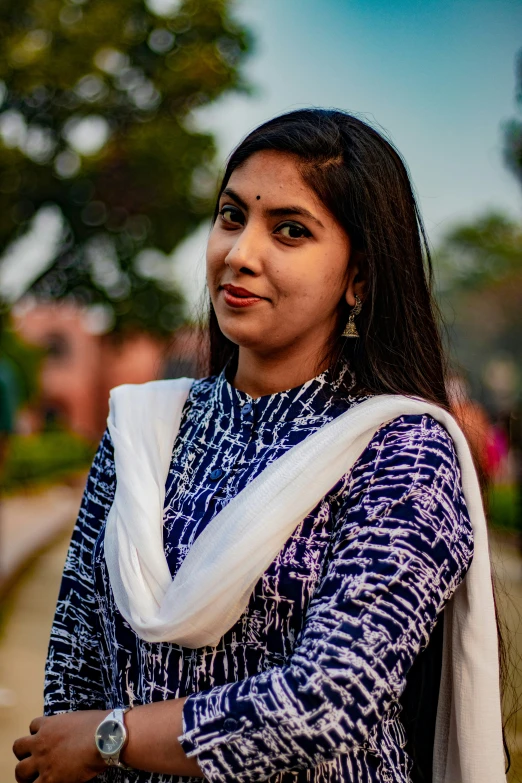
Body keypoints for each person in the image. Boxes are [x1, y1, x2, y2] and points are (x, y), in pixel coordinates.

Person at [13, 109, 506, 783]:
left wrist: (112, 736)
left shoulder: (402, 451)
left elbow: (328, 699)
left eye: (291, 230)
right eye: (231, 215)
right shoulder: (143, 427)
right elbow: (75, 659)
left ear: (358, 277)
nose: (240, 253)